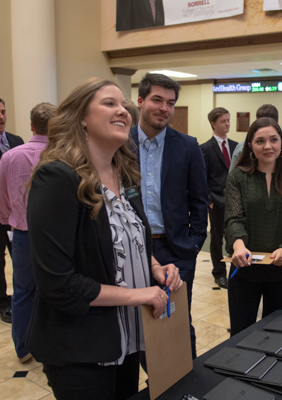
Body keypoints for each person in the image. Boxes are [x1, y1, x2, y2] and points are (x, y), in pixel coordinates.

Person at [27, 78, 182, 400]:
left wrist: (153, 266)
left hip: (126, 340)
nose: (123, 110)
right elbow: (58, 284)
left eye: (124, 105)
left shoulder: (124, 175)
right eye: (109, 103)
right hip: (81, 349)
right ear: (81, 116)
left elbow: (128, 240)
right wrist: (140, 295)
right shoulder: (57, 177)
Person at [130, 72, 208, 358]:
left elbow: (200, 200)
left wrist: (195, 243)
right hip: (131, 247)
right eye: (157, 100)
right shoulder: (121, 143)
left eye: (171, 103)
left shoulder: (187, 146)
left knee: (175, 319)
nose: (165, 108)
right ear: (140, 101)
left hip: (176, 248)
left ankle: (182, 381)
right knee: (136, 318)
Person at [225, 117, 282, 336]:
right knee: (241, 334)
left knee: (275, 336)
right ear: (250, 146)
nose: (268, 146)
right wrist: (238, 245)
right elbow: (234, 218)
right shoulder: (238, 177)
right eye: (260, 141)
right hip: (245, 272)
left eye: (274, 139)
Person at [0, 102, 56, 363]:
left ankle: (23, 348)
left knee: (23, 293)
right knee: (58, 291)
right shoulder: (66, 156)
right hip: (58, 237)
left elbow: (2, 199)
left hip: (24, 235)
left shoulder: (10, 156)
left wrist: (9, 219)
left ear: (31, 126)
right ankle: (55, 346)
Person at [0, 95, 24, 323]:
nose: (1, 117)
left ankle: (21, 296)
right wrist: (5, 196)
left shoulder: (16, 140)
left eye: (3, 111)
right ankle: (1, 302)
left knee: (20, 255)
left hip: (18, 214)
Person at [200, 107, 237, 289]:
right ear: (213, 124)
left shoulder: (236, 146)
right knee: (216, 239)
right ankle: (219, 273)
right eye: (223, 121)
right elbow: (202, 177)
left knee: (236, 235)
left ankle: (236, 271)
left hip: (235, 200)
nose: (228, 123)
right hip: (216, 200)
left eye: (229, 120)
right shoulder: (205, 148)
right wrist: (210, 200)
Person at [230, 104, 282, 171]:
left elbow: (231, 176)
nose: (267, 147)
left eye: (274, 139)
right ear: (277, 122)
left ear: (256, 121)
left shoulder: (240, 148)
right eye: (260, 141)